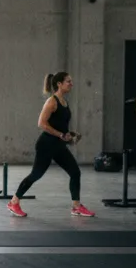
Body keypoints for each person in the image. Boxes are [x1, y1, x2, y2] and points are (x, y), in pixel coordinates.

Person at [8, 72, 94, 218]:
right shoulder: (52, 102)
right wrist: (60, 134)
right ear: (59, 84)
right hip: (46, 145)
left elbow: (58, 124)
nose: (71, 84)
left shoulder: (64, 102)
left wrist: (69, 134)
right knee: (36, 174)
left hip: (58, 146)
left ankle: (76, 207)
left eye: (71, 81)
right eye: (68, 81)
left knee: (75, 172)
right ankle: (14, 202)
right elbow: (41, 123)